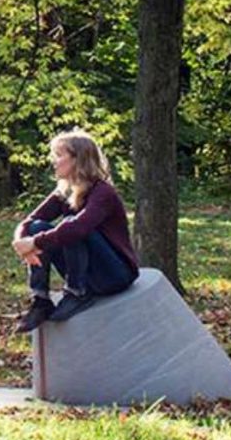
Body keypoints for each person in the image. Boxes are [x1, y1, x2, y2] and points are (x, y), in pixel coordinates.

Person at [11, 129, 141, 333]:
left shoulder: (103, 192)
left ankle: (76, 293)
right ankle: (41, 300)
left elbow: (79, 227)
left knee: (72, 226)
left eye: (59, 155)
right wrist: (21, 243)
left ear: (78, 160)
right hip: (89, 273)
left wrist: (35, 243)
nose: (54, 161)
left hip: (114, 275)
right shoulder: (64, 191)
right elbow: (31, 220)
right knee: (38, 228)